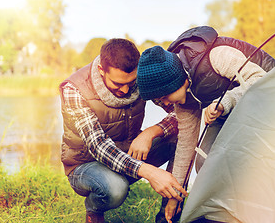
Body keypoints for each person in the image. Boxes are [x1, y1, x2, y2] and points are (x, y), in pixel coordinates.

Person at [136, 26, 275, 223]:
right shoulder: (183, 100)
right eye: (158, 102)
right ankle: (226, 212)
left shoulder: (216, 57)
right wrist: (174, 197)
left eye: (164, 97)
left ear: (176, 81)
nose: (165, 104)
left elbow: (260, 80)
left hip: (272, 97)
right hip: (231, 108)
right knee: (205, 160)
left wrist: (225, 102)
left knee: (252, 159)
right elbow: (186, 147)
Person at [59, 38, 188, 223]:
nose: (126, 89)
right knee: (115, 189)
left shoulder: (139, 79)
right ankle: (94, 209)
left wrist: (151, 131)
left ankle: (167, 215)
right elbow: (98, 146)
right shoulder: (74, 89)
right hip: (86, 164)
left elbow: (182, 114)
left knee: (178, 138)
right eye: (118, 84)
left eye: (131, 81)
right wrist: (150, 173)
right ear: (101, 70)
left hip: (127, 155)